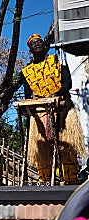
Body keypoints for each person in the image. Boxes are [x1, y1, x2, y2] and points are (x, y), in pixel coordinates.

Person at [21, 34, 86, 184]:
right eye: (33, 43)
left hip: (62, 110)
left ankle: (70, 178)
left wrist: (56, 95)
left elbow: (67, 83)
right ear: (30, 50)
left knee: (66, 144)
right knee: (42, 146)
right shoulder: (26, 72)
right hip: (39, 113)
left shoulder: (57, 62)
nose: (37, 44)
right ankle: (44, 178)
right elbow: (27, 94)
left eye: (40, 42)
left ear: (45, 47)